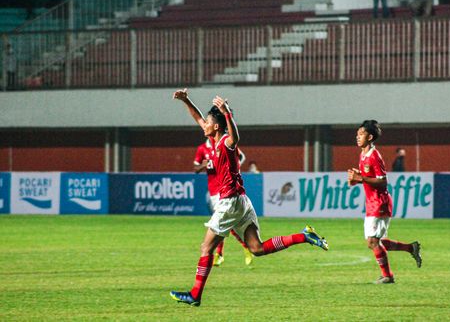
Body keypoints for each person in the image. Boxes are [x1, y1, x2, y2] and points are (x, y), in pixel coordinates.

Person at [170, 88, 329, 306]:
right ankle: (304, 235)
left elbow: (235, 137)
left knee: (206, 248)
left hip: (230, 203)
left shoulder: (225, 141)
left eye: (207, 122)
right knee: (257, 248)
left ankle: (195, 295)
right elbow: (197, 117)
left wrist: (228, 114)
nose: (203, 124)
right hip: (242, 202)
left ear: (216, 126)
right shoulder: (214, 140)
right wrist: (186, 100)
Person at [347, 120, 422, 284]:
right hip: (372, 203)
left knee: (373, 242)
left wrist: (360, 178)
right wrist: (358, 177)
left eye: (361, 134)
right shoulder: (363, 154)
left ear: (370, 136)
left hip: (379, 203)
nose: (357, 136)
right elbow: (370, 177)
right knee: (377, 242)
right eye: (357, 133)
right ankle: (411, 248)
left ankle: (387, 276)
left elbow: (382, 182)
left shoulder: (374, 156)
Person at [194, 139, 254, 266]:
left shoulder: (224, 143)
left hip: (224, 192)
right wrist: (203, 165)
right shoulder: (202, 149)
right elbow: (196, 168)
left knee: (220, 225)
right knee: (222, 225)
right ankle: (244, 247)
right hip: (213, 192)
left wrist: (234, 167)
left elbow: (241, 156)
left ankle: (220, 254)